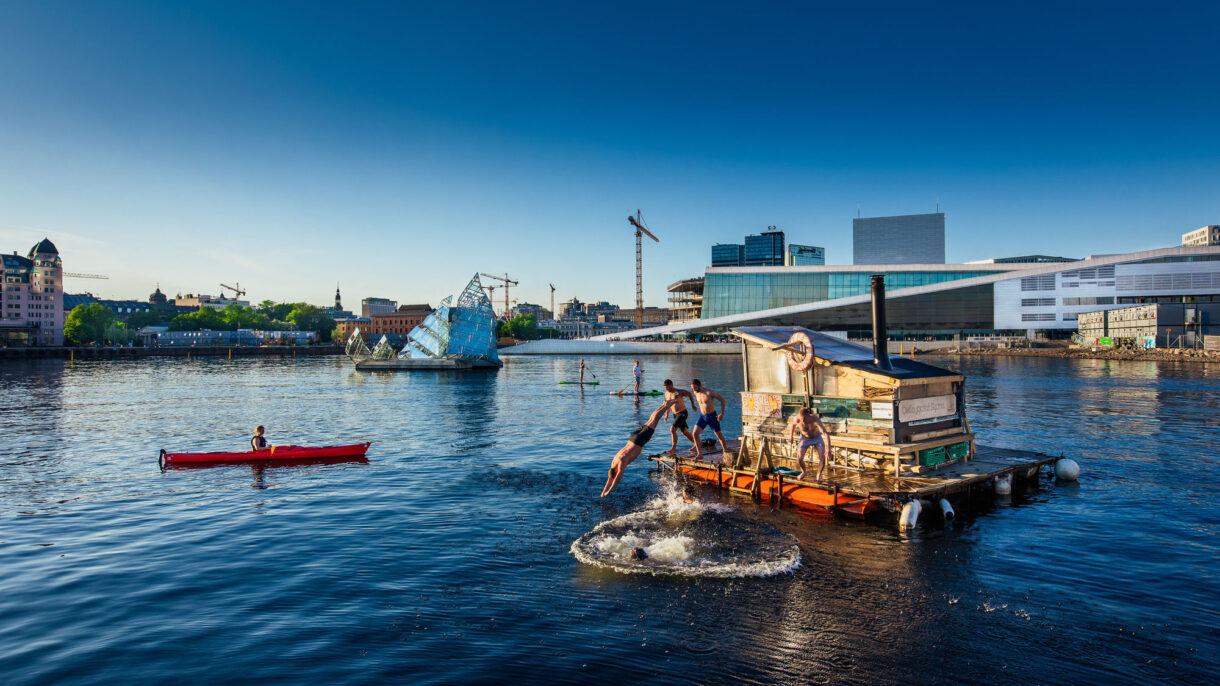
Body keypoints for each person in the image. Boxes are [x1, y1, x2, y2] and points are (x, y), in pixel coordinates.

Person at [600, 398, 678, 497]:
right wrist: (603, 492)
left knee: (654, 421)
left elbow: (617, 478)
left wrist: (609, 491)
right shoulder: (614, 462)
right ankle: (664, 405)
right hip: (632, 437)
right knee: (651, 420)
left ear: (615, 471)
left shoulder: (621, 463)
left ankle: (667, 405)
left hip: (638, 441)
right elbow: (610, 479)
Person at [787, 407, 830, 481]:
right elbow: (792, 426)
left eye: (804, 419)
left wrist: (828, 449)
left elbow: (826, 434)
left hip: (817, 438)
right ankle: (804, 472)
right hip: (805, 438)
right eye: (801, 419)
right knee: (799, 458)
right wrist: (791, 436)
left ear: (809, 415)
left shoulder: (815, 420)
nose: (803, 421)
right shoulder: (797, 419)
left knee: (822, 458)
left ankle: (818, 475)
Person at [690, 379, 730, 460]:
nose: (693, 389)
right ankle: (700, 454)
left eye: (695, 387)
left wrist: (721, 413)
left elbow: (722, 400)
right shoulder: (695, 393)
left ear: (699, 385)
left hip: (712, 416)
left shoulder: (709, 392)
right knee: (695, 433)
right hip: (703, 416)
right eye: (692, 388)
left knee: (719, 436)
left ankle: (725, 452)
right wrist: (693, 405)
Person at [660, 379, 697, 456]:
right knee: (685, 432)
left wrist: (693, 404)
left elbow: (689, 394)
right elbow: (668, 405)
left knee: (672, 429)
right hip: (675, 415)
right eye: (665, 387)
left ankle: (673, 448)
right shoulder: (666, 394)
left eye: (667, 387)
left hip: (682, 413)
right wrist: (666, 415)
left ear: (671, 385)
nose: (666, 388)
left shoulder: (679, 392)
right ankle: (697, 443)